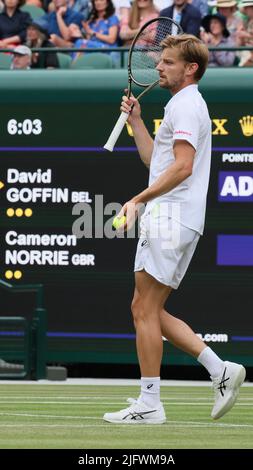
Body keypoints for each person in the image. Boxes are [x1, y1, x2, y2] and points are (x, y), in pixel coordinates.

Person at [103, 33, 246, 424]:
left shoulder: (185, 106)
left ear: (190, 68)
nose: (159, 67)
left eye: (167, 62)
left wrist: (137, 200)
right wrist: (135, 122)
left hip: (169, 217)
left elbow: (182, 167)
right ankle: (220, 370)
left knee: (142, 309)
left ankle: (150, 403)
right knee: (148, 308)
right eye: (160, 61)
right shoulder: (183, 106)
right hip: (179, 219)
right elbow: (158, 160)